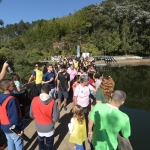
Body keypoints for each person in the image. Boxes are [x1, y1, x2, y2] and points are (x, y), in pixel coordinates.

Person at [30, 83, 60, 150]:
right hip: (49, 127)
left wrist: (37, 118)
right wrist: (53, 122)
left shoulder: (34, 99)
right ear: (49, 91)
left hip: (39, 127)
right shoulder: (53, 101)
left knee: (40, 143)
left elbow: (31, 114)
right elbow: (56, 117)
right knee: (49, 144)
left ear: (41, 90)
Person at [0, 79, 24, 150]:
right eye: (13, 85)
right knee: (18, 142)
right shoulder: (12, 99)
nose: (15, 86)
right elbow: (14, 117)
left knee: (10, 141)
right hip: (13, 127)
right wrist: (20, 129)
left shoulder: (1, 96)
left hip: (4, 125)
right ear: (6, 88)